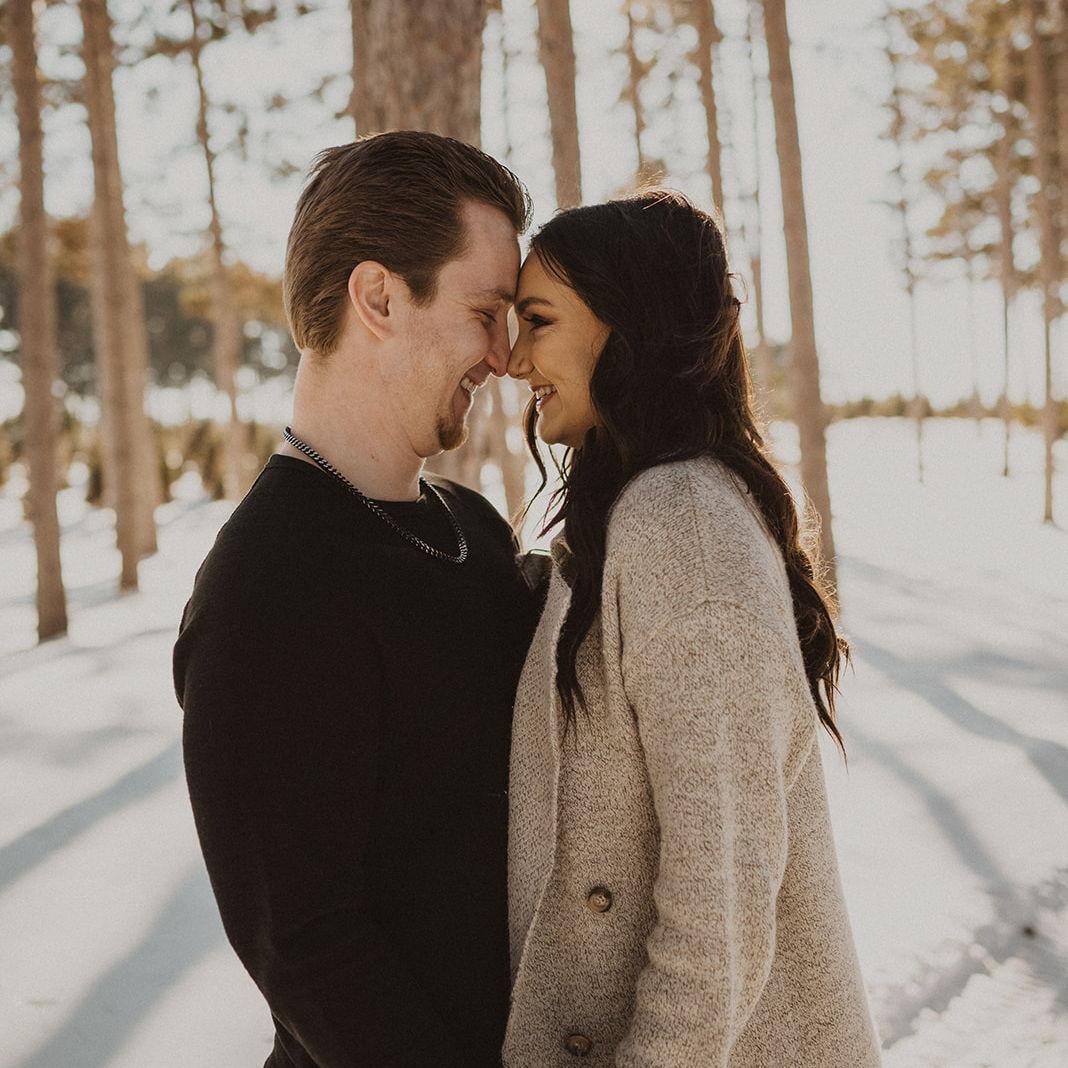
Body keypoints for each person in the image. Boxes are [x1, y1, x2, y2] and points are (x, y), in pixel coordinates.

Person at [173, 131, 542, 1068]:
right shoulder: (265, 587)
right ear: (378, 297)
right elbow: (307, 951)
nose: (505, 357)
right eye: (485, 312)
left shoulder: (473, 527)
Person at [503, 190, 883, 1067]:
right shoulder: (629, 517)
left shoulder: (683, 525)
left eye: (539, 321)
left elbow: (722, 904)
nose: (516, 359)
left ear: (627, 323)